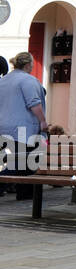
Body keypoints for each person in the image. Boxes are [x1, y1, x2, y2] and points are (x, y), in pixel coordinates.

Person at [0, 53, 49, 200]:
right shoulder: (28, 81)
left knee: (24, 162)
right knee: (23, 163)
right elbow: (34, 103)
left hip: (4, 128)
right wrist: (43, 121)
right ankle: (23, 192)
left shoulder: (4, 80)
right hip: (23, 129)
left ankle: (25, 193)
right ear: (28, 65)